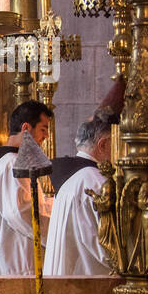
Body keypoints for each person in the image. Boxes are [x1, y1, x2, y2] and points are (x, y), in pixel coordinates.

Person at [0, 100, 54, 276]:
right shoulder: (12, 163)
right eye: (43, 129)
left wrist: (53, 203)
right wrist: (58, 228)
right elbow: (22, 212)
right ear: (26, 128)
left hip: (18, 257)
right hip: (20, 260)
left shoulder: (13, 161)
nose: (46, 136)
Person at [44, 116, 113, 277]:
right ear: (102, 144)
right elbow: (106, 247)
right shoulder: (96, 182)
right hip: (88, 281)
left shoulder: (75, 178)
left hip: (64, 277)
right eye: (116, 144)